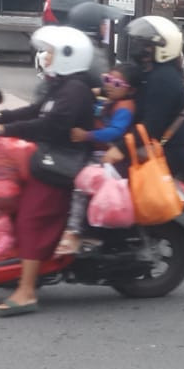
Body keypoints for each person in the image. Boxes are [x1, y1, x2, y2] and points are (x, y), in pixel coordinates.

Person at [0, 26, 97, 317]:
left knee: (31, 219)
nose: (44, 56)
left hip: (61, 165)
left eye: (51, 52)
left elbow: (50, 126)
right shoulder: (63, 87)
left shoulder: (76, 91)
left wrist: (4, 129)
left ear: (69, 56)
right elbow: (35, 111)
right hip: (49, 158)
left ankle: (27, 291)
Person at [54, 65, 138, 257]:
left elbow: (116, 131)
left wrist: (87, 135)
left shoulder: (125, 108)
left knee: (80, 185)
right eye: (108, 80)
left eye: (117, 83)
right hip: (97, 151)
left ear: (129, 89)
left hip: (108, 157)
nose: (110, 86)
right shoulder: (110, 100)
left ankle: (74, 232)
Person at [124, 15, 184, 183]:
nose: (140, 48)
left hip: (169, 151)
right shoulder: (150, 72)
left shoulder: (163, 79)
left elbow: (151, 126)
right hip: (152, 143)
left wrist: (120, 148)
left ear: (163, 47)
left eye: (147, 45)